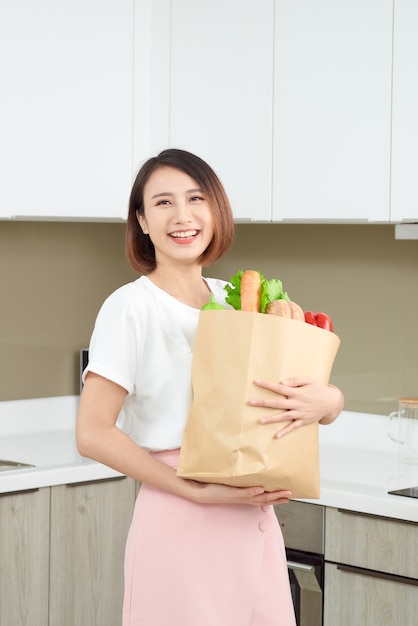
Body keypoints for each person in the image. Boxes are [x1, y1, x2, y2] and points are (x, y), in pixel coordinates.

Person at [76, 148, 344, 626]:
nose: (182, 216)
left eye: (195, 198)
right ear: (141, 219)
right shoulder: (130, 307)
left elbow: (291, 392)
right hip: (180, 516)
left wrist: (330, 401)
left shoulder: (237, 298)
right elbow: (93, 433)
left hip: (252, 517)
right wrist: (196, 492)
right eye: (162, 203)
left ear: (215, 209)